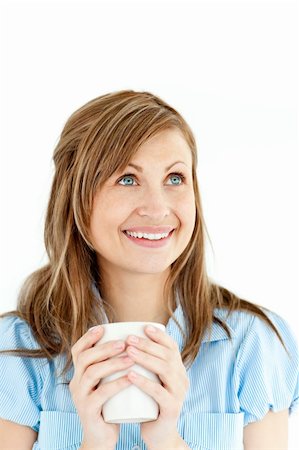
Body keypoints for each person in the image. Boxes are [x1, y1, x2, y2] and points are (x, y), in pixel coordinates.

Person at [0, 90, 298, 450]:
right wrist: (94, 442)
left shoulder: (254, 344)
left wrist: (167, 440)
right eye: (127, 178)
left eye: (175, 178)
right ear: (75, 197)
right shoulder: (15, 350)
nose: (158, 209)